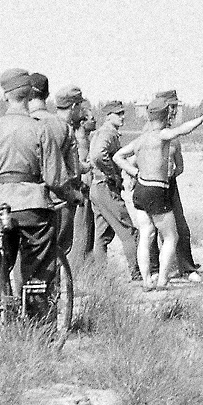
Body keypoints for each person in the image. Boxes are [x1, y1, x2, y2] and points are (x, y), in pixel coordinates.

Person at [0, 69, 68, 320]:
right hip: (33, 206)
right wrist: (72, 195)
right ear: (28, 96)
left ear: (6, 96)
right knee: (38, 268)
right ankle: (38, 326)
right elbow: (54, 178)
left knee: (0, 262)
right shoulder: (39, 129)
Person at [116, 91, 203, 286]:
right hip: (157, 189)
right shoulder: (163, 134)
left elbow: (118, 156)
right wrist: (201, 119)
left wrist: (133, 172)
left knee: (146, 234)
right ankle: (161, 280)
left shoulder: (140, 139)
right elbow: (183, 130)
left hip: (141, 189)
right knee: (171, 236)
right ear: (166, 114)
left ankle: (146, 281)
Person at [28, 75, 83, 260]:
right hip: (57, 200)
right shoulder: (63, 128)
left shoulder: (18, 123)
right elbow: (73, 172)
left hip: (23, 201)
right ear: (47, 94)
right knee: (57, 254)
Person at [88, 100, 142, 280]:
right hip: (106, 187)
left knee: (102, 236)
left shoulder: (101, 133)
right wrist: (112, 173)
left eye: (122, 113)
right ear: (108, 116)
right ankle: (137, 272)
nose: (123, 117)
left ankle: (101, 277)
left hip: (97, 187)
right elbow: (97, 156)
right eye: (118, 114)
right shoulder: (108, 133)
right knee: (128, 232)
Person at [71, 105, 97, 267]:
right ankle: (79, 265)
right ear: (81, 122)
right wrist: (90, 166)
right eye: (90, 118)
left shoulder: (86, 139)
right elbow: (79, 166)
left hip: (86, 188)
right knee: (82, 228)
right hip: (83, 188)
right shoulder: (80, 141)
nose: (94, 120)